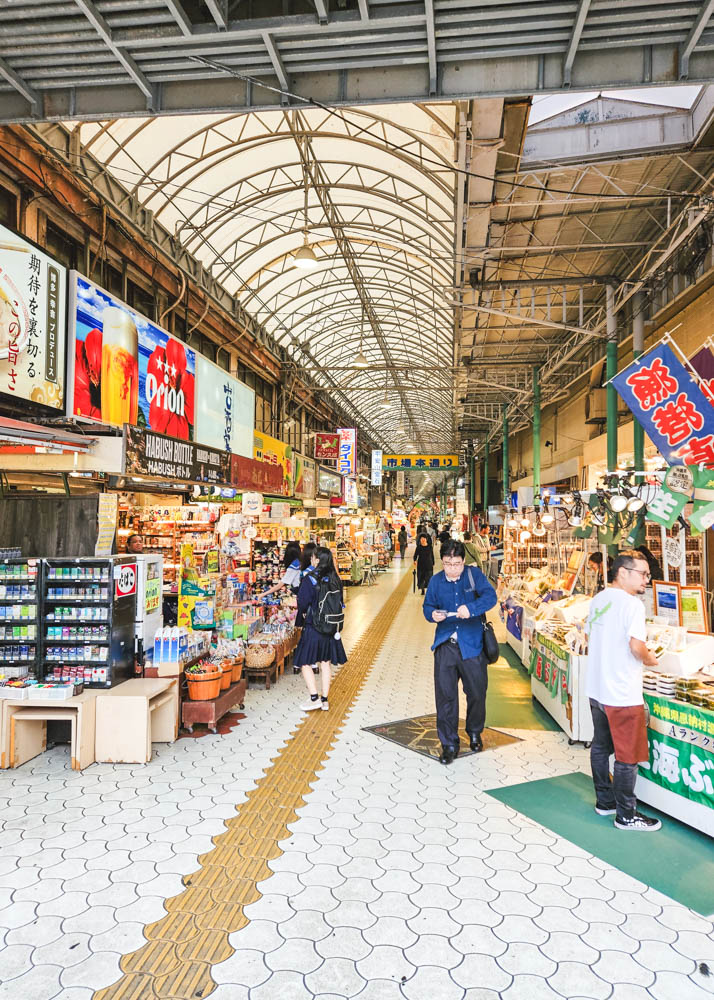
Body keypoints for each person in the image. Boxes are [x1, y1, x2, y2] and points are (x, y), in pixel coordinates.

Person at [585, 549, 661, 831]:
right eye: (642, 573)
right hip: (622, 692)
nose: (646, 579)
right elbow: (636, 646)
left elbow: (590, 635)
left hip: (596, 688)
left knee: (601, 746)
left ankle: (604, 802)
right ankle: (626, 815)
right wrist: (653, 660)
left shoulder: (599, 599)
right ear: (623, 572)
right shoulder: (633, 605)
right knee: (627, 756)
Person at [423, 538, 498, 764]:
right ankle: (449, 744)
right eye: (448, 563)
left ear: (464, 561)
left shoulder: (474, 576)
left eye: (456, 563)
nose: (452, 569)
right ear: (442, 561)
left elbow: (491, 597)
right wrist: (432, 615)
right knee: (445, 697)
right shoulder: (436, 582)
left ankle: (474, 731)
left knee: (476, 692)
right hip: (446, 645)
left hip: (472, 643)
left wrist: (472, 608)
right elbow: (428, 607)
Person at [293, 546, 347, 712]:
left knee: (305, 662)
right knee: (325, 663)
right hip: (331, 627)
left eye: (313, 557)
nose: (311, 559)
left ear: (317, 560)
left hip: (313, 625)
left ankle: (314, 697)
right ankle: (324, 700)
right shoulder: (335, 578)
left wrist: (302, 614)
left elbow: (302, 603)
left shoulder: (310, 579)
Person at [295, 542, 317, 628]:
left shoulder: (305, 573)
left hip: (309, 610)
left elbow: (305, 595)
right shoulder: (322, 571)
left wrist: (303, 609)